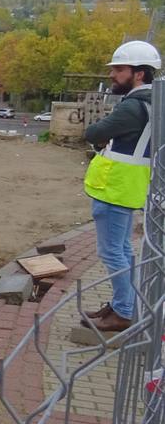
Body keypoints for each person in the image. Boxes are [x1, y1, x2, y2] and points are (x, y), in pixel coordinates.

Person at [82, 40, 160, 333]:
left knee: (112, 252)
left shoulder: (133, 107)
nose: (113, 75)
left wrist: (99, 134)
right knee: (123, 250)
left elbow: (94, 132)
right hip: (126, 188)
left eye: (119, 69)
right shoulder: (155, 103)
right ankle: (120, 304)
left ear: (139, 74)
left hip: (115, 188)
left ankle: (123, 312)